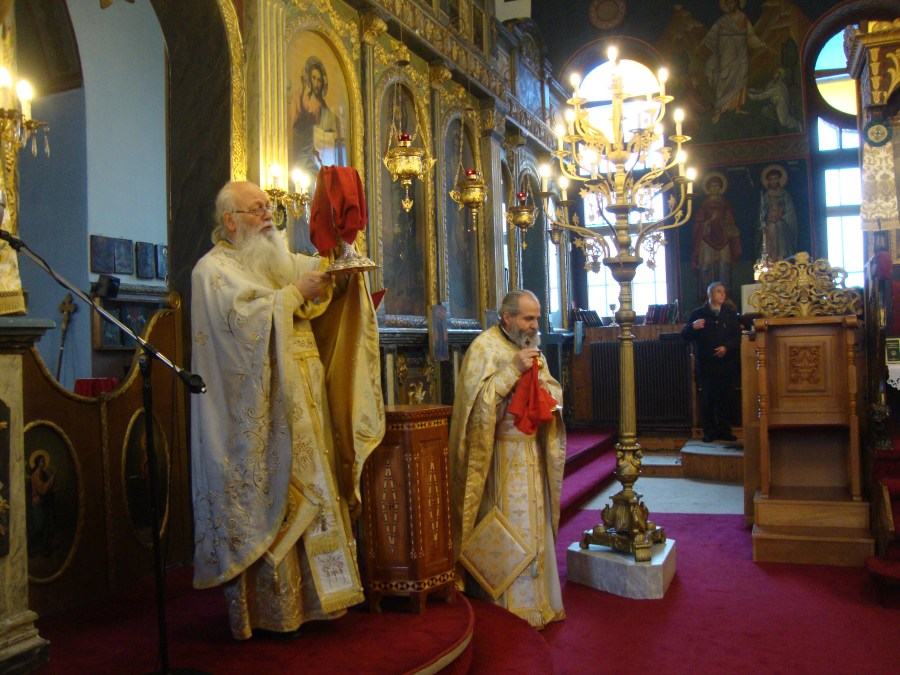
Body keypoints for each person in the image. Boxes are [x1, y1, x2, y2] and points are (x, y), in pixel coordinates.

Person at [190, 180, 384, 640]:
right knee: (278, 491)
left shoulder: (271, 256)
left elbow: (316, 271)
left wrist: (340, 244)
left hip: (304, 395)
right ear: (230, 220)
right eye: (256, 209)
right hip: (263, 408)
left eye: (268, 207)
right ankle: (275, 609)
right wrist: (294, 294)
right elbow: (239, 328)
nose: (268, 216)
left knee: (316, 485)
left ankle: (323, 599)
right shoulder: (211, 271)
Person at [449, 289, 566, 630]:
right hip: (497, 457)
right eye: (528, 318)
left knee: (533, 527)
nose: (535, 325)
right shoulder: (484, 348)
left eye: (537, 318)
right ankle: (505, 606)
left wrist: (546, 393)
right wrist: (512, 371)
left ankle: (538, 602)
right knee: (507, 527)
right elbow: (475, 409)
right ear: (507, 317)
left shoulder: (531, 348)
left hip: (532, 453)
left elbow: (553, 391)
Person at [681, 281, 743, 443]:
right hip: (707, 365)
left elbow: (737, 337)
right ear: (710, 294)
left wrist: (726, 347)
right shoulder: (698, 314)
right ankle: (709, 431)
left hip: (727, 364)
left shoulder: (730, 314)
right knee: (708, 400)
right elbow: (685, 335)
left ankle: (725, 430)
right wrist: (692, 327)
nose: (723, 294)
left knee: (726, 399)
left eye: (724, 292)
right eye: (719, 291)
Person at [701, 0, 771, 124]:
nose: (730, 5)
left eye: (732, 2)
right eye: (728, 3)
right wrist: (702, 45)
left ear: (737, 3)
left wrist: (761, 44)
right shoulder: (723, 21)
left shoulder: (743, 19)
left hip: (741, 53)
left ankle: (737, 107)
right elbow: (711, 35)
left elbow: (750, 36)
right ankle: (720, 109)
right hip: (727, 54)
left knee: (741, 77)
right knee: (724, 78)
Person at [691, 173, 741, 300]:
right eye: (712, 186)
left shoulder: (725, 204)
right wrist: (709, 221)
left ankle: (725, 297)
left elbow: (730, 222)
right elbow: (698, 224)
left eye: (717, 185)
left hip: (724, 239)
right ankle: (707, 296)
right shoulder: (704, 205)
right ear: (708, 188)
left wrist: (725, 223)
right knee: (707, 266)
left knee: (724, 265)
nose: (715, 188)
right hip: (707, 239)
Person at [293, 57, 341, 173]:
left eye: (319, 80)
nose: (316, 83)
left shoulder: (327, 111)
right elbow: (296, 128)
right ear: (309, 79)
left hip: (323, 155)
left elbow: (334, 138)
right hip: (306, 153)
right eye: (314, 78)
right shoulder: (304, 101)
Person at [757, 165, 797, 262]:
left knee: (778, 226)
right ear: (768, 181)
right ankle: (769, 259)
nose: (773, 181)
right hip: (768, 224)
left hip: (782, 224)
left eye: (775, 178)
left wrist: (781, 219)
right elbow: (761, 214)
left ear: (779, 179)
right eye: (771, 179)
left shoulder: (785, 194)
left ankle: (782, 258)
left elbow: (790, 213)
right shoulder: (765, 196)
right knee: (769, 228)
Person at [747, 68, 802, 132]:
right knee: (765, 110)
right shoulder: (771, 83)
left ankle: (797, 124)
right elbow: (764, 91)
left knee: (783, 122)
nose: (774, 74)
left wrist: (750, 95)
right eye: (775, 72)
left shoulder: (777, 87)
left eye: (777, 73)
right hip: (774, 104)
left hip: (781, 104)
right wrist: (755, 91)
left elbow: (762, 95)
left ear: (780, 76)